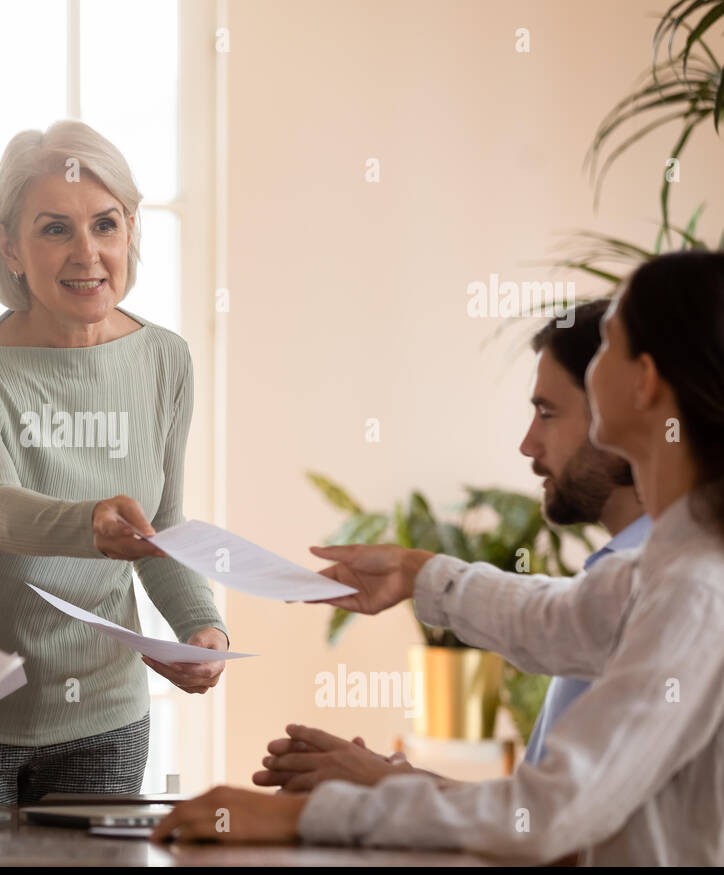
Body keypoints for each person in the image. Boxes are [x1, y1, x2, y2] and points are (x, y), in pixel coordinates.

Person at [154, 251, 724, 865]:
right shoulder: (667, 568)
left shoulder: (695, 591)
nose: (589, 371)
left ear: (644, 382)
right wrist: (416, 574)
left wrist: (302, 817)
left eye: (608, 341)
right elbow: (556, 619)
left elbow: (552, 814)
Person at [0, 120, 229, 804]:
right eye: (54, 229)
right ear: (9, 246)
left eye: (106, 224)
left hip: (101, 710)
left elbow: (165, 519)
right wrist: (90, 521)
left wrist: (198, 625)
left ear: (130, 233)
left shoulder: (164, 359)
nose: (87, 252)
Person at [254, 299, 651, 792]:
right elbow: (553, 817)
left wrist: (391, 788)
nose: (527, 445)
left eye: (547, 413)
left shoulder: (670, 584)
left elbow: (572, 838)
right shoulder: (621, 579)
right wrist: (395, 779)